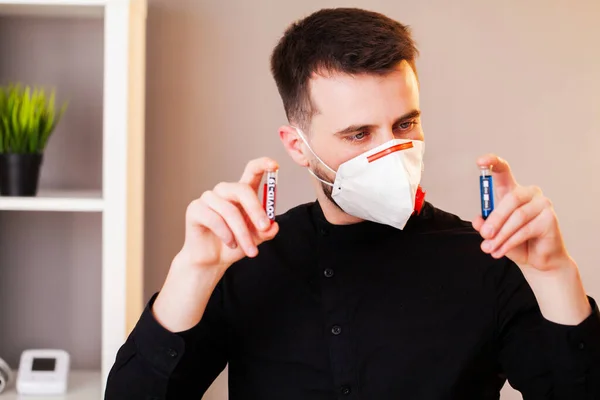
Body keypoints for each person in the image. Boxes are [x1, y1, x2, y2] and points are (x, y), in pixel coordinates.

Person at [104, 7, 600, 399]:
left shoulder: (489, 258)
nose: (390, 151)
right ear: (298, 146)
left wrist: (556, 275)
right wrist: (191, 272)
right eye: (359, 134)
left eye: (404, 125)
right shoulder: (246, 262)